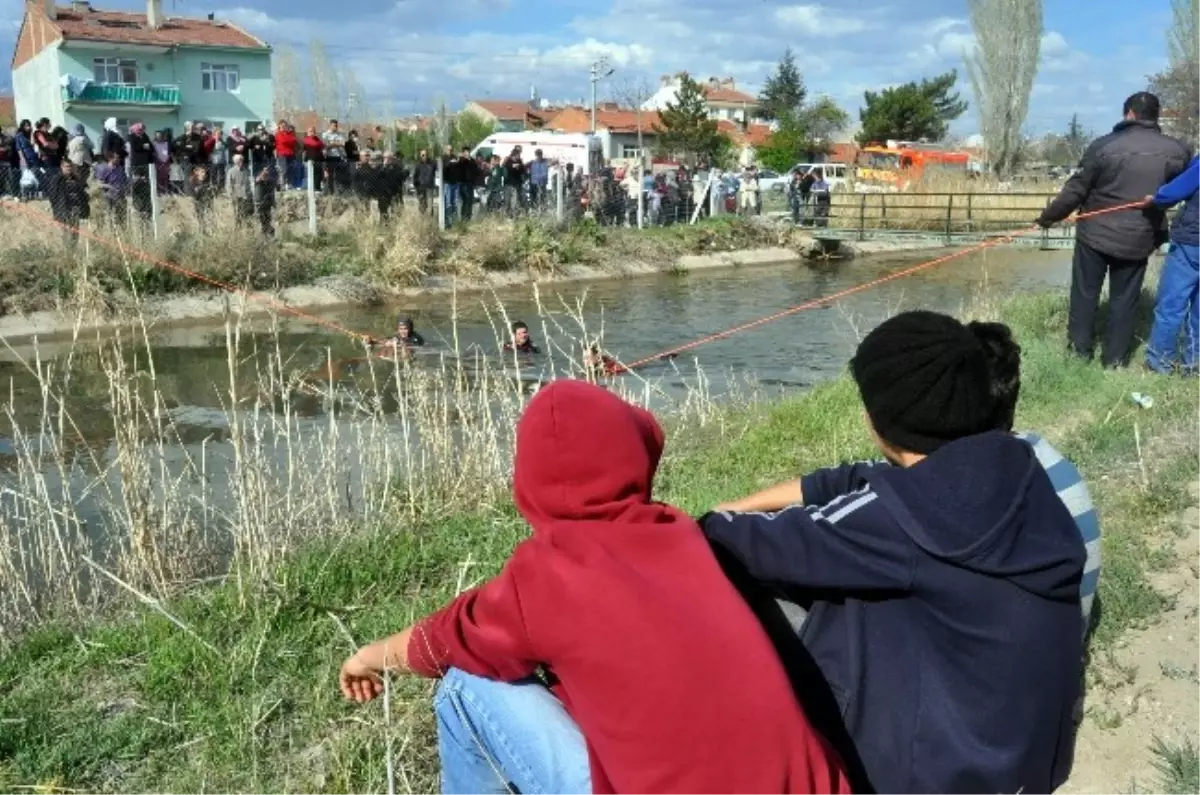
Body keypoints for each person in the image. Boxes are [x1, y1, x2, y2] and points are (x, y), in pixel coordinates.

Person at [339, 380, 852, 795]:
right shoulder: (688, 539)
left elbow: (447, 638)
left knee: (465, 686)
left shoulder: (545, 581)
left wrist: (370, 655)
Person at [701, 310, 1087, 795]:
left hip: (937, 779)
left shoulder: (895, 522)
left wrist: (713, 517)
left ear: (876, 417)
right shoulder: (1018, 467)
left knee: (753, 593)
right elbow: (859, 480)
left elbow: (743, 543)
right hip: (1026, 761)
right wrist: (741, 503)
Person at [1037, 91, 1192, 368]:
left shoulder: (1103, 146)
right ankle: (1116, 361)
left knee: (1085, 294)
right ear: (1155, 116)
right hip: (1140, 236)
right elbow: (1181, 190)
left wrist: (1049, 217)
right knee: (1125, 300)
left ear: (1129, 114)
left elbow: (1076, 189)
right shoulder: (1178, 152)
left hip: (1094, 235)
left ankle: (1079, 354)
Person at [1144, 154, 1200, 375]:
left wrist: (1156, 198)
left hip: (1191, 243)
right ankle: (1193, 365)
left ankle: (1160, 363)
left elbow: (1173, 192)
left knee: (1171, 304)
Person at [45, 160, 90, 247]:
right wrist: (57, 207)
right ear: (62, 167)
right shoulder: (57, 179)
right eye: (67, 166)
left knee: (75, 233)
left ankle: (73, 251)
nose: (69, 168)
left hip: (75, 210)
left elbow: (82, 192)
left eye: (70, 166)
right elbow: (52, 195)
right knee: (65, 233)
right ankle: (66, 253)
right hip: (63, 210)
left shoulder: (76, 179)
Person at [95, 150, 128, 227]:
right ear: (110, 159)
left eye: (119, 158)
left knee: (122, 216)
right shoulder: (104, 169)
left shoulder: (120, 169)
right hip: (109, 196)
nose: (119, 159)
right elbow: (99, 184)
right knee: (109, 215)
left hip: (120, 195)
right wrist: (110, 187)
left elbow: (125, 180)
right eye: (117, 158)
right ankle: (110, 230)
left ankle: (121, 231)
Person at [228, 154, 253, 226]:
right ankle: (238, 227)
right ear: (235, 162)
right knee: (238, 213)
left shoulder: (246, 170)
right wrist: (231, 194)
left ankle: (247, 227)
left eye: (242, 160)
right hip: (237, 195)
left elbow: (249, 182)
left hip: (246, 195)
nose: (241, 162)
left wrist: (250, 193)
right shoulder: (231, 171)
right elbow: (229, 184)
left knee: (247, 213)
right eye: (239, 161)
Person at [253, 164, 276, 236]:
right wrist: (262, 174)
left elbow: (272, 194)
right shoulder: (258, 181)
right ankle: (266, 235)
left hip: (267, 204)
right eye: (265, 171)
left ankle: (267, 235)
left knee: (267, 221)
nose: (266, 173)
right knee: (263, 221)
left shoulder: (270, 182)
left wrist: (273, 203)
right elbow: (257, 179)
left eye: (268, 171)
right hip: (260, 204)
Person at [458, 146, 480, 221]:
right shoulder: (461, 161)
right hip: (463, 184)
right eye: (466, 152)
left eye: (468, 152)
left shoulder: (472, 161)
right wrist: (465, 160)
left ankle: (468, 218)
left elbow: (476, 170)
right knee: (466, 200)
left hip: (471, 183)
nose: (467, 154)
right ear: (463, 153)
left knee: (470, 201)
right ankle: (464, 217)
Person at [413, 149, 436, 215]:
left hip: (429, 187)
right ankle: (423, 222)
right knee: (422, 206)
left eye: (426, 155)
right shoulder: (418, 165)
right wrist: (416, 187)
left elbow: (437, 169)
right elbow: (415, 176)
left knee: (430, 206)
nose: (424, 156)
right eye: (423, 155)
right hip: (421, 188)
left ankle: (430, 222)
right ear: (420, 156)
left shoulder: (432, 164)